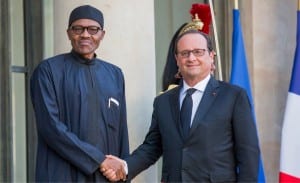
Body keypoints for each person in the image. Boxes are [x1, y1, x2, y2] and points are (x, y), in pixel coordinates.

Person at [102, 26, 260, 182]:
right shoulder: (162, 102)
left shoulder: (233, 96)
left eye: (198, 52)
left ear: (211, 56)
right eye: (185, 53)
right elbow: (152, 147)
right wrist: (124, 166)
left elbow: (248, 156)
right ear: (177, 60)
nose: (191, 58)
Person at [30, 5, 129, 182]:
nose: (85, 34)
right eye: (78, 29)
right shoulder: (48, 71)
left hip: (104, 176)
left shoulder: (114, 74)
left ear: (102, 34)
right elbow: (50, 127)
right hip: (61, 174)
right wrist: (98, 160)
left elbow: (121, 130)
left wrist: (121, 170)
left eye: (93, 29)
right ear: (68, 33)